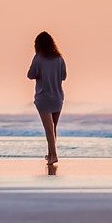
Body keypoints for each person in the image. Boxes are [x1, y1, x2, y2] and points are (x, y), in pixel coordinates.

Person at [26, 31, 67, 165]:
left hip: (44, 98)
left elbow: (30, 75)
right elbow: (63, 77)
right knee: (53, 128)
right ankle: (50, 155)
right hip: (57, 97)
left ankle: (53, 155)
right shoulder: (59, 58)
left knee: (48, 129)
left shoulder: (38, 58)